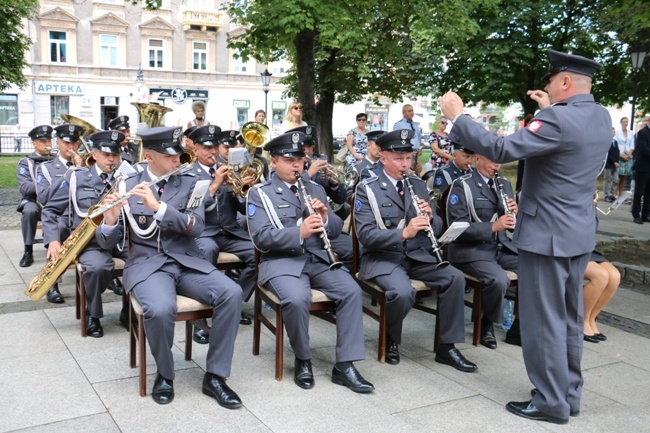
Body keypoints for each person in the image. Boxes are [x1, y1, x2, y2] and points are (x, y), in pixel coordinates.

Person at [440, 49, 611, 424]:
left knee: (542, 321)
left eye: (551, 80)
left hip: (546, 236)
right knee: (567, 317)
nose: (547, 85)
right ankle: (567, 395)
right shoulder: (600, 116)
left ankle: (550, 403)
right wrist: (552, 108)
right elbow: (565, 141)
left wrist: (458, 118)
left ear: (564, 82)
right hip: (576, 234)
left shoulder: (556, 119)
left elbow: (502, 149)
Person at [100, 126, 243, 407]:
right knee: (160, 309)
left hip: (187, 261)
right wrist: (110, 219)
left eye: (179, 153)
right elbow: (108, 245)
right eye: (171, 156)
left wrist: (159, 208)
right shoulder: (126, 182)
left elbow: (197, 227)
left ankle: (215, 376)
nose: (178, 160)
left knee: (232, 293)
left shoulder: (190, 182)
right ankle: (165, 374)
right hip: (147, 265)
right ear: (150, 156)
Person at [246, 131, 374, 393]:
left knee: (351, 290)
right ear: (274, 160)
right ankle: (303, 359)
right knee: (296, 298)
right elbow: (261, 238)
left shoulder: (314, 187)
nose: (297, 165)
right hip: (281, 262)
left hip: (317, 259)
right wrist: (299, 232)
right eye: (289, 160)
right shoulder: (260, 193)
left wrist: (326, 218)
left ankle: (345, 364)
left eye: (300, 160)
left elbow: (337, 229)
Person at [354, 129, 477, 373]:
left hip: (418, 255)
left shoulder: (417, 184)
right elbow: (365, 235)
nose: (405, 164)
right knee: (402, 292)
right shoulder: (367, 188)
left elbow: (440, 227)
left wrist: (431, 218)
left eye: (409, 158)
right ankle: (391, 337)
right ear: (383, 157)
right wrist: (404, 232)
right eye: (399, 159)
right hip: (384, 257)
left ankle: (447, 346)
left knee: (454, 278)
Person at [41, 130, 127, 337]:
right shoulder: (77, 178)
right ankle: (93, 314)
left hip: (122, 240)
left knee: (146, 261)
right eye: (106, 154)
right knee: (97, 267)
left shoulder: (127, 177)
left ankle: (129, 310)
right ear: (94, 154)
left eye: (115, 155)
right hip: (91, 242)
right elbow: (51, 209)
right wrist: (53, 239)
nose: (112, 159)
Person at [445, 154, 518, 349]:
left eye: (499, 161)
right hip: (472, 249)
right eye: (492, 160)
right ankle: (487, 322)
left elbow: (510, 225)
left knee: (534, 268)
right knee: (499, 279)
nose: (497, 165)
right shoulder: (463, 185)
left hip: (501, 246)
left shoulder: (504, 183)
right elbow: (456, 227)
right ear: (478, 159)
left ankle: (519, 328)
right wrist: (492, 227)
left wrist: (514, 215)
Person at [189, 125, 256, 328]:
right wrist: (216, 183)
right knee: (206, 250)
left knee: (260, 252)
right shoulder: (188, 174)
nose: (212, 152)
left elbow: (244, 210)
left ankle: (234, 301)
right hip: (203, 233)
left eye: (215, 147)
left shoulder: (229, 169)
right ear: (195, 150)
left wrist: (242, 192)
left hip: (229, 231)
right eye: (206, 148)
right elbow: (193, 206)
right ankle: (199, 316)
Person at [35, 123, 84, 303]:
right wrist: (67, 176)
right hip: (59, 215)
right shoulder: (46, 168)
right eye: (66, 143)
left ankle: (109, 276)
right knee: (59, 227)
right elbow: (44, 198)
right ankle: (52, 281)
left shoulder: (85, 165)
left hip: (82, 215)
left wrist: (80, 170)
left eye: (74, 143)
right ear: (58, 143)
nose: (71, 147)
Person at [16, 125, 53, 268]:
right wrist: (47, 184)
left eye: (48, 141)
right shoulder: (26, 162)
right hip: (34, 200)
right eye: (42, 141)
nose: (47, 144)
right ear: (34, 143)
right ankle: (28, 251)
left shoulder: (57, 161)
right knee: (29, 211)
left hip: (54, 201)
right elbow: (24, 187)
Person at [583, 251, 620, 343]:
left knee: (614, 276)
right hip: (565, 249)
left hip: (586, 248)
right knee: (600, 276)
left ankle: (591, 318)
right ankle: (582, 320)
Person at [632, 115, 650, 224]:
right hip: (643, 167)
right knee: (639, 192)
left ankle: (645, 214)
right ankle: (636, 214)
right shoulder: (643, 132)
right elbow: (643, 149)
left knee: (649, 193)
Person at [615, 117, 635, 199]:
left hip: (628, 156)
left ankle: (620, 193)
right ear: (621, 123)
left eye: (626, 122)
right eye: (624, 122)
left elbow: (632, 145)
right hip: (619, 155)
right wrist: (621, 155)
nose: (625, 123)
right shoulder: (617, 132)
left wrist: (629, 155)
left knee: (623, 177)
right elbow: (615, 145)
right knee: (617, 177)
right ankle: (615, 193)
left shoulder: (630, 133)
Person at [603, 128, 620, 202]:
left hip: (615, 164)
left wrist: (617, 161)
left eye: (614, 131)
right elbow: (607, 154)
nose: (614, 133)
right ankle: (606, 194)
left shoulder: (615, 142)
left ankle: (612, 193)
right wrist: (613, 162)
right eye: (612, 131)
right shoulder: (606, 142)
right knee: (607, 179)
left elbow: (617, 152)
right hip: (609, 164)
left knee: (616, 180)